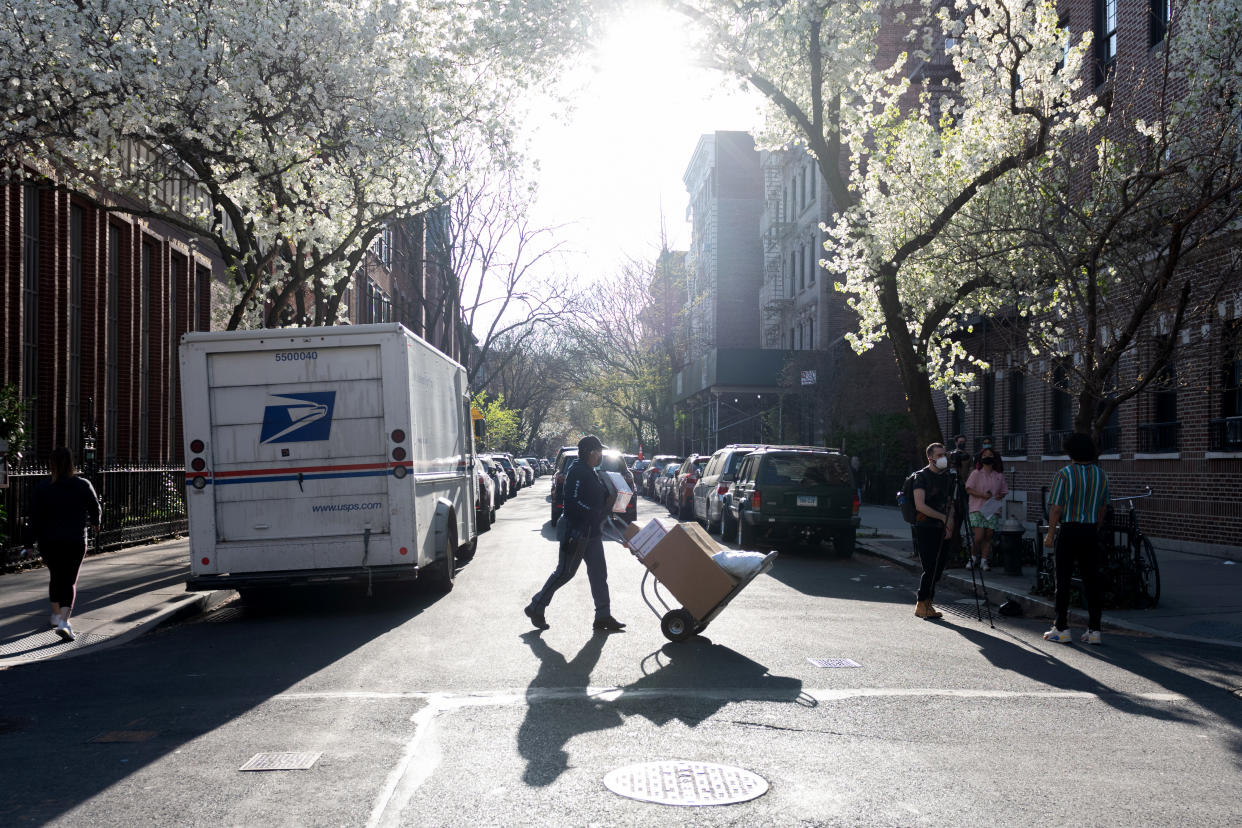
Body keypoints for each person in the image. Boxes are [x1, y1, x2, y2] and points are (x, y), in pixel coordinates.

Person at [525, 435, 626, 632]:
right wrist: (594, 512)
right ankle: (536, 606)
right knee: (565, 573)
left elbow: (595, 496)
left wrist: (611, 497)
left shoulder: (591, 471)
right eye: (599, 452)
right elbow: (572, 502)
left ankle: (603, 616)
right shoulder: (577, 471)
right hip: (576, 531)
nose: (601, 456)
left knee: (598, 573)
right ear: (591, 453)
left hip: (592, 532)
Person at [22, 446, 102, 642]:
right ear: (71, 463)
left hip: (49, 541)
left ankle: (56, 615)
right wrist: (96, 522)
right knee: (69, 580)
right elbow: (95, 506)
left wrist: (28, 544)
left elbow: (34, 518)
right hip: (75, 539)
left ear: (51, 465)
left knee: (56, 576)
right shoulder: (83, 484)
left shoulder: (42, 488)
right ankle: (65, 622)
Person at [1043, 433, 1110, 645]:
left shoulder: (1064, 474)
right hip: (1090, 530)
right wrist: (1095, 528)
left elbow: (1056, 508)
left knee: (1062, 579)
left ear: (1070, 451)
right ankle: (1095, 630)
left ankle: (1061, 627)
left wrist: (1051, 533)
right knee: (1092, 580)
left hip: (1069, 529)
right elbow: (1102, 508)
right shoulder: (1101, 475)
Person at [911, 442, 954, 619]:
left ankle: (929, 603)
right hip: (925, 527)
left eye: (944, 454)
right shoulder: (921, 477)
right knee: (930, 567)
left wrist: (950, 522)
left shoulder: (947, 477)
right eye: (939, 455)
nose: (943, 458)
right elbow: (920, 505)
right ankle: (921, 603)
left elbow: (950, 502)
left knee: (939, 568)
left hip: (942, 527)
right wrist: (942, 518)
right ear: (930, 458)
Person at [964, 447, 1007, 571]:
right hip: (977, 507)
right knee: (978, 536)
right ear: (981, 458)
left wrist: (1000, 496)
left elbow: (1004, 491)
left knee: (988, 536)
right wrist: (983, 495)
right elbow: (969, 489)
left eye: (990, 455)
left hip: (992, 508)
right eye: (985, 455)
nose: (987, 457)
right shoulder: (976, 473)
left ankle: (984, 561)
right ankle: (972, 559)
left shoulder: (998, 475)